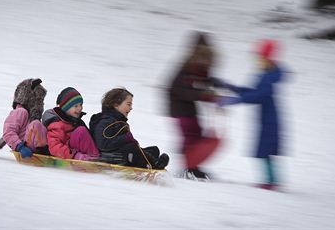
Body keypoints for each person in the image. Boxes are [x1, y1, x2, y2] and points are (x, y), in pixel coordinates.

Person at [217, 39, 285, 190]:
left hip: (270, 120)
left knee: (264, 151)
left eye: (260, 58)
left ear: (268, 59)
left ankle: (272, 181)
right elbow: (252, 91)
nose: (257, 61)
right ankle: (271, 181)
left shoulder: (269, 78)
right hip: (266, 118)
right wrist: (230, 87)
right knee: (264, 152)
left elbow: (258, 96)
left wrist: (234, 100)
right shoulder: (267, 75)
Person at [167, 31, 221, 180]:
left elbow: (203, 83)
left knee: (197, 135)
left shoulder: (198, 65)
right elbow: (179, 89)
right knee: (190, 135)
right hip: (178, 106)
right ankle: (187, 168)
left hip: (189, 106)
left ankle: (193, 167)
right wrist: (202, 94)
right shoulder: (186, 66)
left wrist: (212, 90)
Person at [89, 88, 169, 170]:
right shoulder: (105, 121)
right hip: (109, 158)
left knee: (154, 150)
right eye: (128, 104)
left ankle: (152, 161)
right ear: (116, 104)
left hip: (120, 154)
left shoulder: (116, 120)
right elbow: (103, 145)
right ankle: (154, 165)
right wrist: (126, 138)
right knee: (132, 148)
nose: (131, 108)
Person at [0, 78, 49, 157]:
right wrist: (20, 146)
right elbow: (8, 132)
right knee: (36, 124)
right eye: (39, 100)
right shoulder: (21, 112)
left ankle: (49, 148)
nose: (41, 104)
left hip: (33, 146)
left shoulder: (31, 116)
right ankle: (44, 149)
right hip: (24, 148)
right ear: (30, 98)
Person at [42, 87, 100, 160]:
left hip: (77, 150)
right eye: (76, 106)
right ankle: (95, 158)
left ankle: (96, 156)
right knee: (81, 131)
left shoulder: (77, 121)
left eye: (81, 105)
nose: (80, 108)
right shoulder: (57, 123)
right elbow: (54, 147)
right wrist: (75, 155)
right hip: (68, 153)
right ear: (65, 108)